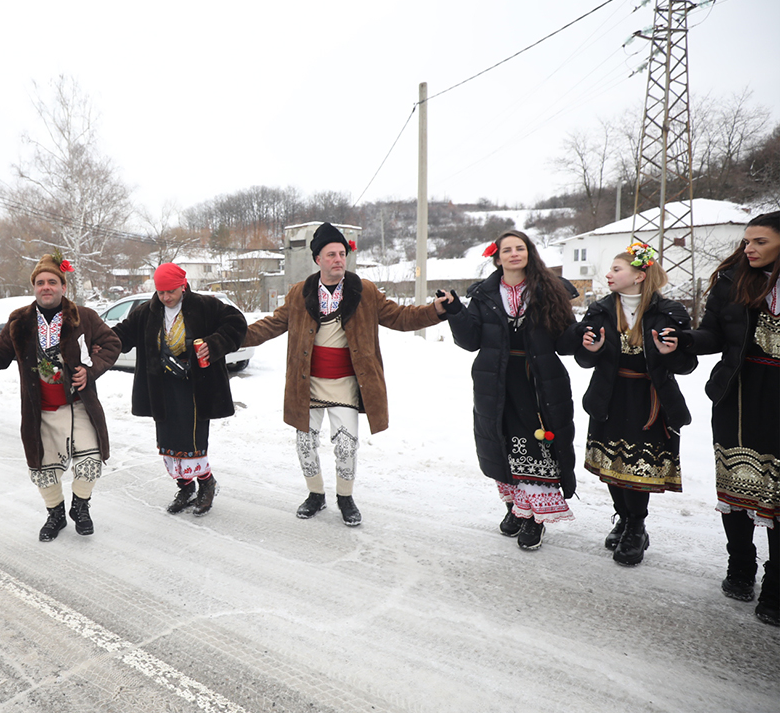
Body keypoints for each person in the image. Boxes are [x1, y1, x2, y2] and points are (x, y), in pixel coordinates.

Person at [242, 222, 450, 526]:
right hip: (307, 385)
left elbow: (401, 317)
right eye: (331, 254)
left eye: (342, 253)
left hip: (346, 385)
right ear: (318, 259)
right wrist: (232, 337)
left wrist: (435, 310)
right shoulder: (300, 293)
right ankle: (315, 495)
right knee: (304, 444)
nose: (338, 259)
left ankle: (345, 497)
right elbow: (271, 325)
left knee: (345, 445)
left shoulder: (363, 290)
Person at [0, 254, 121, 541]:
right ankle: (55, 514)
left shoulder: (84, 317)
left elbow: (112, 343)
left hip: (79, 405)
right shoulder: (20, 320)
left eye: (52, 282)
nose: (46, 287)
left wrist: (91, 370)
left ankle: (80, 507)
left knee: (91, 460)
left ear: (63, 286)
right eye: (40, 282)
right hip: (41, 410)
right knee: (43, 469)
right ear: (34, 287)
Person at [562, 243, 696, 565]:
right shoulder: (601, 310)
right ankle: (622, 517)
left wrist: (672, 352)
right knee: (611, 466)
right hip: (610, 394)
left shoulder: (669, 312)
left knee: (639, 468)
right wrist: (590, 349)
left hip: (649, 399)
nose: (608, 274)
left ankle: (636, 525)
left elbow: (686, 364)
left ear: (638, 276)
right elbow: (583, 359)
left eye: (616, 269)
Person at [448, 230, 578, 550]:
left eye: (520, 248)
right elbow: (470, 340)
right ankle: (516, 509)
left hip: (537, 379)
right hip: (496, 379)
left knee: (536, 447)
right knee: (503, 443)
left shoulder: (549, 290)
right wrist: (455, 312)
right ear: (498, 258)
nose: (514, 254)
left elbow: (564, 340)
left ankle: (536, 517)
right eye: (507, 250)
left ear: (529, 253)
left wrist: (586, 336)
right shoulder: (485, 294)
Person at [682, 210, 780, 626]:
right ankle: (740, 565)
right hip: (739, 391)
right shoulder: (731, 280)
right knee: (738, 484)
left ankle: (777, 586)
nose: (749, 248)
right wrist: (680, 341)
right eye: (746, 241)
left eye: (759, 241)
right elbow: (712, 336)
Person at [110, 263, 247, 516]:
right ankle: (185, 487)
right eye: (161, 293)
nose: (166, 297)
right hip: (161, 389)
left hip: (195, 388)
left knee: (192, 441)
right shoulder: (146, 312)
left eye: (171, 292)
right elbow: (122, 334)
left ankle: (206, 484)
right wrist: (100, 340)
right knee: (168, 442)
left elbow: (236, 322)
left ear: (182, 286)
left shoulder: (205, 305)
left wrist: (215, 343)